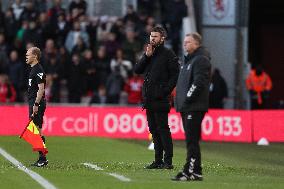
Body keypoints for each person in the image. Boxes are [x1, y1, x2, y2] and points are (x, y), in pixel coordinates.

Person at [135, 26, 179, 169]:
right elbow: (137, 70)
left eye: (155, 36)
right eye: (151, 36)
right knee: (154, 129)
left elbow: (175, 75)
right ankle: (158, 160)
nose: (152, 39)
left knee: (163, 129)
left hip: (161, 99)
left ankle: (168, 161)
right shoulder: (150, 53)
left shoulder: (168, 54)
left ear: (162, 38)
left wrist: (165, 91)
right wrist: (146, 56)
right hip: (149, 99)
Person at [172, 33, 211, 181]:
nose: (185, 44)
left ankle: (188, 171)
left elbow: (199, 82)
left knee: (191, 140)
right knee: (191, 139)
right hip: (187, 106)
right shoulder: (189, 61)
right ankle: (197, 171)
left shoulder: (201, 60)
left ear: (197, 44)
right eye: (184, 42)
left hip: (193, 107)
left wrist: (188, 98)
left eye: (188, 42)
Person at [26, 46, 48, 167]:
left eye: (28, 54)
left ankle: (42, 158)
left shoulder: (38, 69)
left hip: (36, 103)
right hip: (34, 102)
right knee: (37, 129)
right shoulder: (34, 69)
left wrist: (36, 104)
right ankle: (42, 158)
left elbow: (41, 89)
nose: (26, 57)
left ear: (35, 56)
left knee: (36, 130)